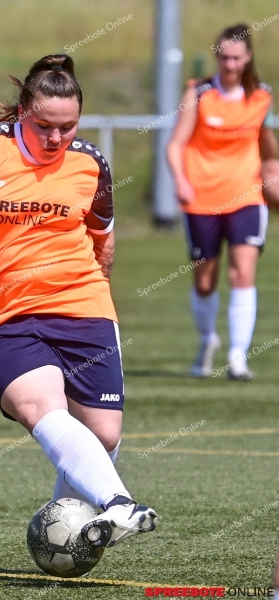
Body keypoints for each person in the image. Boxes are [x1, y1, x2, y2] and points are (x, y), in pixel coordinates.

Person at [0, 54, 157, 549]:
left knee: (104, 435)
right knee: (39, 405)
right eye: (45, 125)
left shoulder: (90, 163)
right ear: (23, 110)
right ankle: (119, 503)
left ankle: (70, 536)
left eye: (68, 127)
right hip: (7, 316)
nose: (56, 138)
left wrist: (99, 297)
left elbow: (102, 236)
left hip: (84, 309)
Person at [167, 23, 277, 381]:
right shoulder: (198, 93)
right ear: (218, 57)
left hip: (247, 196)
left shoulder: (261, 96)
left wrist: (273, 173)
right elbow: (176, 143)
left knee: (243, 272)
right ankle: (207, 341)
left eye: (236, 58)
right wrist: (180, 179)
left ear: (247, 60)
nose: (230, 64)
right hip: (201, 198)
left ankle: (238, 357)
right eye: (224, 57)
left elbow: (266, 144)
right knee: (205, 282)